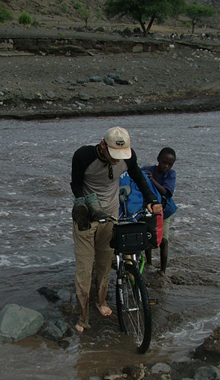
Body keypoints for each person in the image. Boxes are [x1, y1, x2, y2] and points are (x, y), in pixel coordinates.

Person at [70, 127, 163, 333]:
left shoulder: (128, 157)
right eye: (113, 154)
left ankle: (101, 301)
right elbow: (76, 184)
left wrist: (152, 199)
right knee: (84, 269)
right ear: (103, 145)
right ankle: (82, 318)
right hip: (87, 215)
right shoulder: (83, 156)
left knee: (104, 262)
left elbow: (138, 176)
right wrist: (84, 202)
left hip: (111, 213)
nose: (116, 160)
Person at [142, 147, 177, 275]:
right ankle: (149, 263)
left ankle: (162, 270)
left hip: (164, 210)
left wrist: (152, 180)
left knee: (163, 239)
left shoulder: (171, 174)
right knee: (147, 236)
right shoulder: (146, 170)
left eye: (169, 164)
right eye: (164, 162)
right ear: (158, 160)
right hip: (148, 208)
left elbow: (166, 192)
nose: (166, 166)